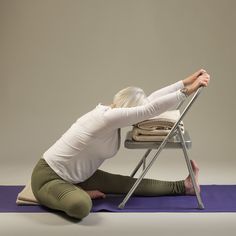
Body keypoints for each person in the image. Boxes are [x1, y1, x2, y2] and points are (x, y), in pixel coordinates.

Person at [31, 69, 210, 220]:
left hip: (79, 176)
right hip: (48, 177)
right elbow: (150, 108)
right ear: (129, 110)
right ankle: (76, 193)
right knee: (81, 206)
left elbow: (151, 100)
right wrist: (188, 91)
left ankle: (185, 187)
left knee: (126, 185)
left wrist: (185, 81)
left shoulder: (112, 115)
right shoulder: (106, 118)